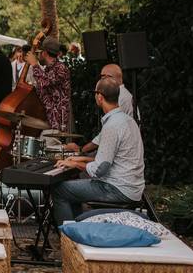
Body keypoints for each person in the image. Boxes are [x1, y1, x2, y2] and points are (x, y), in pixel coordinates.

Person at [52, 78, 145, 223]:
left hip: (117, 189)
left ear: (100, 97)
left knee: (60, 190)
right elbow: (111, 159)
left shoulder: (112, 126)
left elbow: (100, 169)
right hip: (132, 188)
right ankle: (79, 230)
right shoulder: (128, 120)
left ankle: (69, 237)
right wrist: (79, 159)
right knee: (73, 190)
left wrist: (75, 165)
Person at [65, 63, 135, 154]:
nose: (101, 80)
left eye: (102, 77)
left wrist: (81, 150)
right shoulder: (122, 94)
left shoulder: (120, 97)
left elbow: (107, 134)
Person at [27, 36, 72, 132]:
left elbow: (45, 82)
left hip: (57, 122)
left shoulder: (60, 68)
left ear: (45, 53)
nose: (38, 56)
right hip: (47, 120)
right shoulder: (48, 69)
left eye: (39, 53)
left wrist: (35, 65)